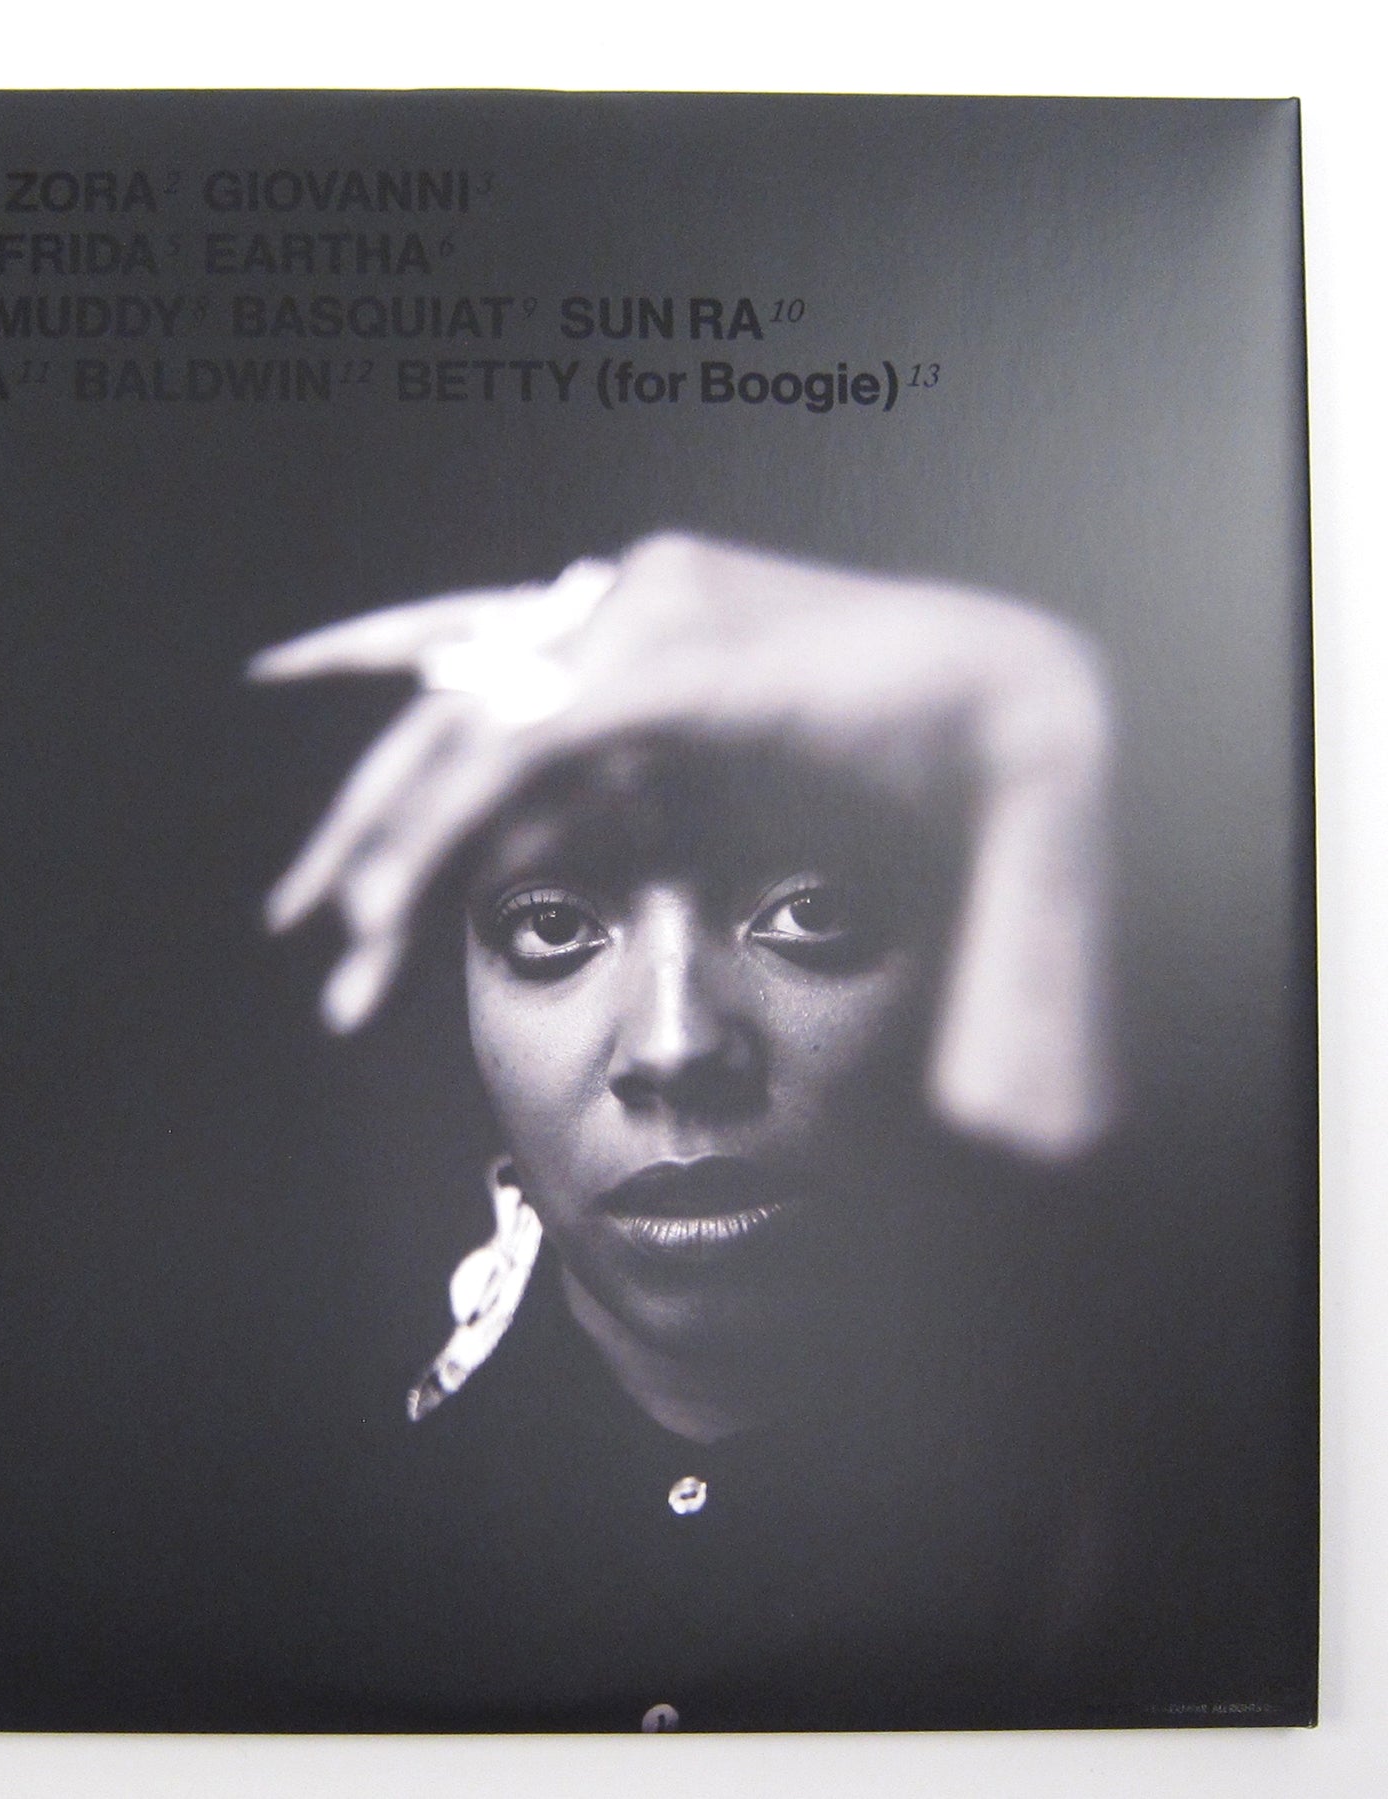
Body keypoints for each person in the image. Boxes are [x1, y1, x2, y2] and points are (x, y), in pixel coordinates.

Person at [250, 533, 1127, 1729]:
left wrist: (1039, 723)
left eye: (814, 910)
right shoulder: (302, 1532)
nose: (673, 1044)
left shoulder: (1155, 1507)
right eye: (550, 926)